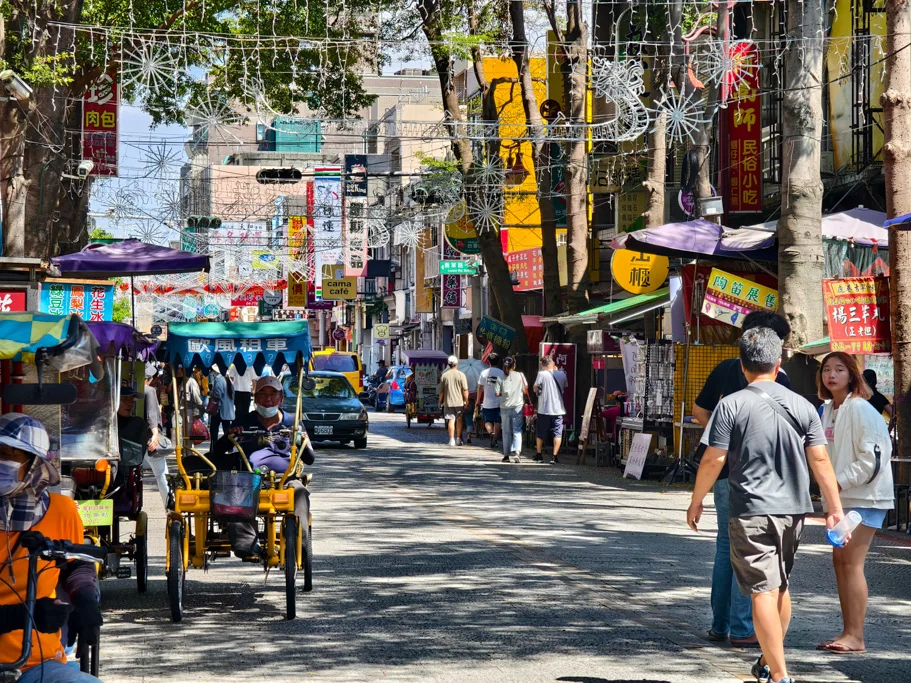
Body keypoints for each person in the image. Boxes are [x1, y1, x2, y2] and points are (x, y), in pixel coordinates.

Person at [687, 327, 846, 683]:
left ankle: (779, 674)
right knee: (780, 585)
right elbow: (821, 461)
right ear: (778, 364)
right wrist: (834, 509)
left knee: (762, 589)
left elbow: (714, 459)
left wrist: (697, 500)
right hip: (794, 509)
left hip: (751, 509)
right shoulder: (804, 405)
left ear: (742, 365)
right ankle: (768, 657)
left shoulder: (732, 404)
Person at [692, 310, 793, 648]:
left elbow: (699, 409)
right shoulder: (780, 379)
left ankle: (720, 625)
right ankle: (740, 626)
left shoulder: (724, 369)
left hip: (723, 474)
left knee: (726, 548)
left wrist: (722, 434)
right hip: (760, 476)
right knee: (751, 554)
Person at [0, 413, 103, 683]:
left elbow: (76, 563)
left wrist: (85, 599)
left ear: (34, 464)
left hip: (39, 665)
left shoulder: (62, 511)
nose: (1, 462)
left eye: (10, 455)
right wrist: (21, 616)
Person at [817, 353, 894, 654]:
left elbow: (874, 458)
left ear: (852, 376)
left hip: (866, 496)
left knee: (851, 562)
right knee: (841, 563)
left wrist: (836, 483)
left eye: (839, 370)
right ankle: (848, 631)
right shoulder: (827, 409)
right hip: (842, 497)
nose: (831, 375)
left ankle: (856, 636)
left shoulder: (861, 408)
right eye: (826, 370)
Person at [211, 376, 315, 560]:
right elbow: (218, 451)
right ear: (255, 398)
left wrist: (300, 440)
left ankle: (300, 540)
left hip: (285, 480)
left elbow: (310, 458)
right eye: (262, 394)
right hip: (249, 480)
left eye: (272, 394)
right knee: (233, 491)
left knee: (300, 493)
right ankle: (247, 544)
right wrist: (229, 436)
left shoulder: (293, 422)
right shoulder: (244, 420)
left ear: (281, 398)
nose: (267, 399)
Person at [140, 369, 170, 509]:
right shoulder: (149, 390)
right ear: (149, 379)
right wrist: (155, 435)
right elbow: (151, 414)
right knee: (162, 474)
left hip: (131, 439)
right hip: (147, 437)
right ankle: (169, 506)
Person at [533, 356, 567, 464]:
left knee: (541, 432)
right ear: (553, 364)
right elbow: (565, 386)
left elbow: (535, 388)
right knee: (557, 433)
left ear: (543, 365)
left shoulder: (541, 374)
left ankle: (539, 455)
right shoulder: (562, 374)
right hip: (558, 410)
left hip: (544, 409)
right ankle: (554, 456)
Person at [499, 357, 528, 463]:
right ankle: (517, 453)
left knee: (506, 432)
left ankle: (506, 455)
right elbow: (525, 390)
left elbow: (497, 393)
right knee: (517, 430)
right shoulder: (520, 375)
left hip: (505, 407)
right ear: (514, 365)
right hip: (518, 406)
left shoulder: (500, 377)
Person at [438, 356, 469, 447]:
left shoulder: (444, 375)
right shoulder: (461, 375)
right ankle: (458, 439)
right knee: (459, 419)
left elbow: (442, 391)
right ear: (456, 364)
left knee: (451, 420)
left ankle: (451, 440)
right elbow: (465, 390)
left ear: (448, 364)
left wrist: (440, 401)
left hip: (448, 402)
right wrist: (466, 400)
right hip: (459, 402)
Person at [477, 354, 505, 449]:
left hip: (487, 402)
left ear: (488, 361)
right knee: (498, 421)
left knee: (487, 421)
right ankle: (495, 440)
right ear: (498, 361)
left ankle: (491, 433)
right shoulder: (502, 373)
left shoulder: (484, 373)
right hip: (499, 401)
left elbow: (480, 388)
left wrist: (477, 400)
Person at [207, 365, 236, 443]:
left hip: (219, 409)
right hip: (226, 410)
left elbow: (217, 394)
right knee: (226, 430)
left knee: (214, 430)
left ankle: (214, 447)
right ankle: (228, 446)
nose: (211, 372)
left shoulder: (219, 380)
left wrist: (210, 393)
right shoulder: (228, 379)